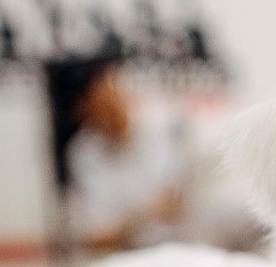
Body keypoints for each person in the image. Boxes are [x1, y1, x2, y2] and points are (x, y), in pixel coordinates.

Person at [62, 63, 184, 251]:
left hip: (172, 248)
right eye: (102, 102)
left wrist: (125, 222)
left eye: (114, 95)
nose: (113, 108)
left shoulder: (155, 127)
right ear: (83, 108)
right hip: (122, 255)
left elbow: (172, 206)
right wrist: (144, 216)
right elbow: (97, 236)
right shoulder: (83, 152)